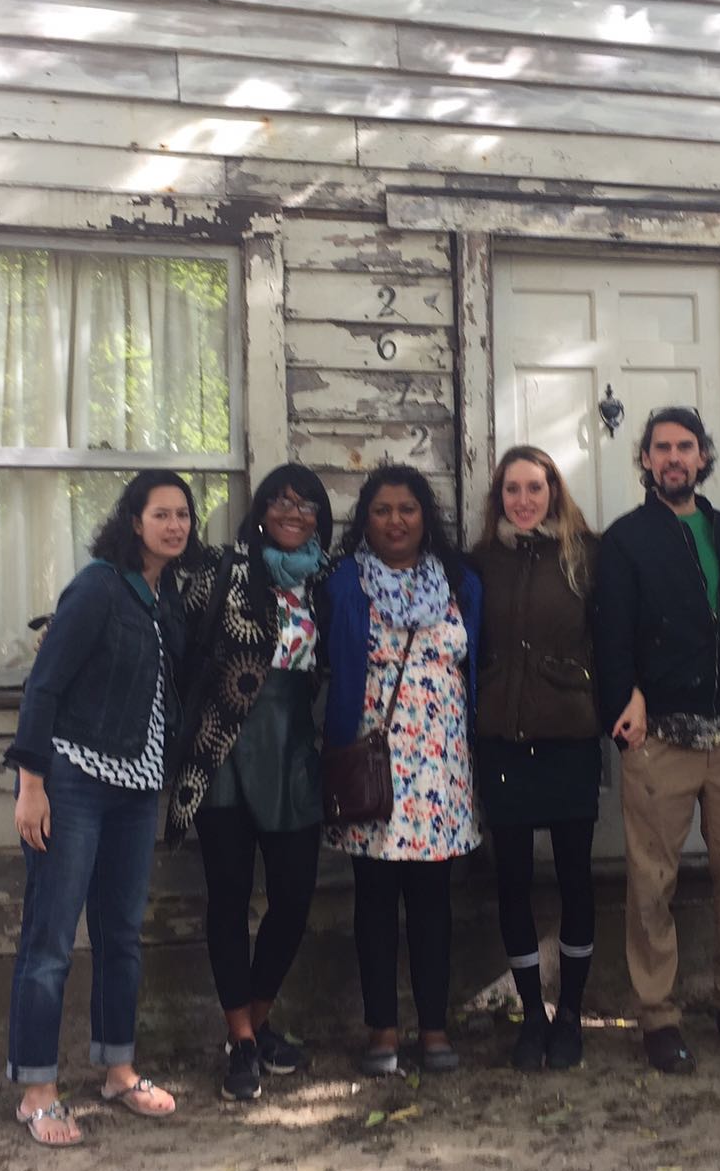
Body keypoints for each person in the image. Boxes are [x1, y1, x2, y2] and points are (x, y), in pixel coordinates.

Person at [4, 470, 195, 1146]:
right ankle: (38, 1091)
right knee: (51, 939)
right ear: (133, 521)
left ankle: (117, 1070)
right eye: (160, 514)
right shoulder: (97, 587)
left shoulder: (162, 599)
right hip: (74, 780)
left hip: (137, 791)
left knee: (120, 935)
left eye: (183, 515)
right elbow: (45, 684)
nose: (174, 525)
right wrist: (32, 783)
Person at [594, 407, 720, 1073]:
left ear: (703, 458)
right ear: (644, 461)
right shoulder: (623, 542)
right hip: (659, 740)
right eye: (661, 448)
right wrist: (627, 700)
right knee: (652, 883)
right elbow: (609, 635)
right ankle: (658, 1016)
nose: (674, 458)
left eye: (685, 447)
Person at [167, 464, 332, 1102]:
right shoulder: (220, 570)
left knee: (293, 898)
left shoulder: (323, 581)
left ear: (320, 517)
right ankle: (240, 1039)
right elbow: (173, 644)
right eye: (281, 501)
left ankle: (257, 1021)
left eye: (307, 504)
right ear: (260, 510)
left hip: (293, 756)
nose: (293, 512)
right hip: (222, 754)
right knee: (229, 900)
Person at [321, 465, 483, 1075]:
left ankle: (435, 1029)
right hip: (373, 764)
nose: (395, 520)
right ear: (366, 518)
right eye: (383, 510)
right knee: (374, 903)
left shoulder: (460, 582)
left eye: (407, 509)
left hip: (442, 766)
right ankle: (382, 1031)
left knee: (433, 902)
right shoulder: (344, 583)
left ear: (425, 516)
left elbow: (477, 659)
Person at [473, 446, 601, 1072]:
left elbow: (611, 638)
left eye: (535, 487)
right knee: (513, 881)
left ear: (554, 490)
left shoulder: (585, 554)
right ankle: (531, 1013)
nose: (524, 501)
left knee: (577, 877)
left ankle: (571, 1012)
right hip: (501, 741)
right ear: (499, 496)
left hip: (570, 738)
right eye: (512, 490)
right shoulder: (479, 563)